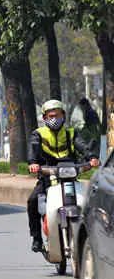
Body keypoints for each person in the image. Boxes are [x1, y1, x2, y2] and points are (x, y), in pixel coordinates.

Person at [27, 100, 100, 253]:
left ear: (63, 115)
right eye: (51, 116)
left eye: (58, 115)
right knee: (32, 201)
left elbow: (82, 146)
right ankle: (37, 238)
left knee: (89, 202)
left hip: (70, 175)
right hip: (48, 175)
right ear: (45, 118)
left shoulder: (71, 133)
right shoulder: (38, 134)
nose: (54, 118)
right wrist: (33, 163)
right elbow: (33, 149)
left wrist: (92, 157)